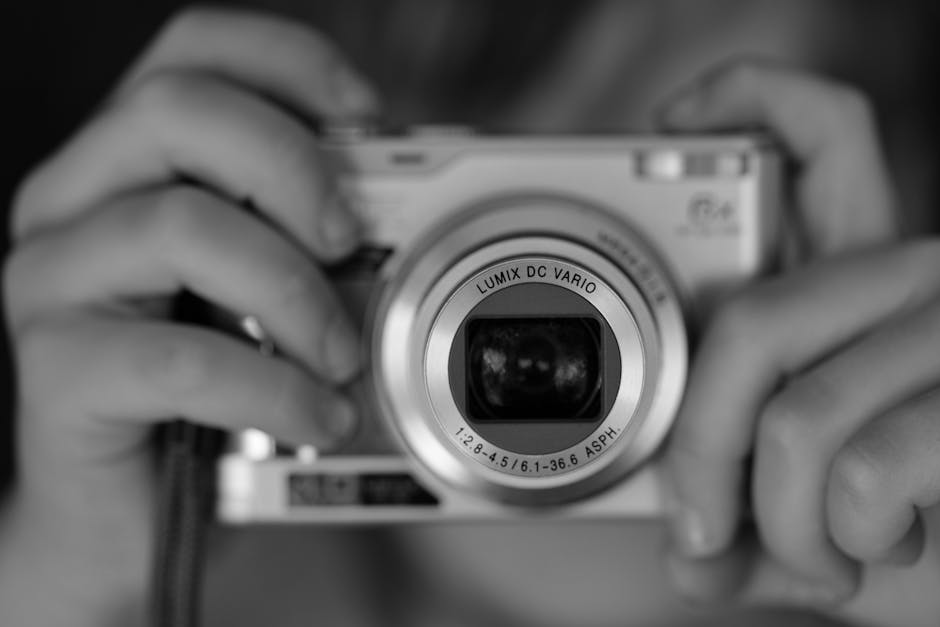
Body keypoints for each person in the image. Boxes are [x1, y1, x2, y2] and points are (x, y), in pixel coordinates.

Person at [1, 3, 938, 626]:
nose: (549, 289)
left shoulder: (902, 563)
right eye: (490, 167)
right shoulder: (198, 573)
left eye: (649, 178)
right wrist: (58, 585)